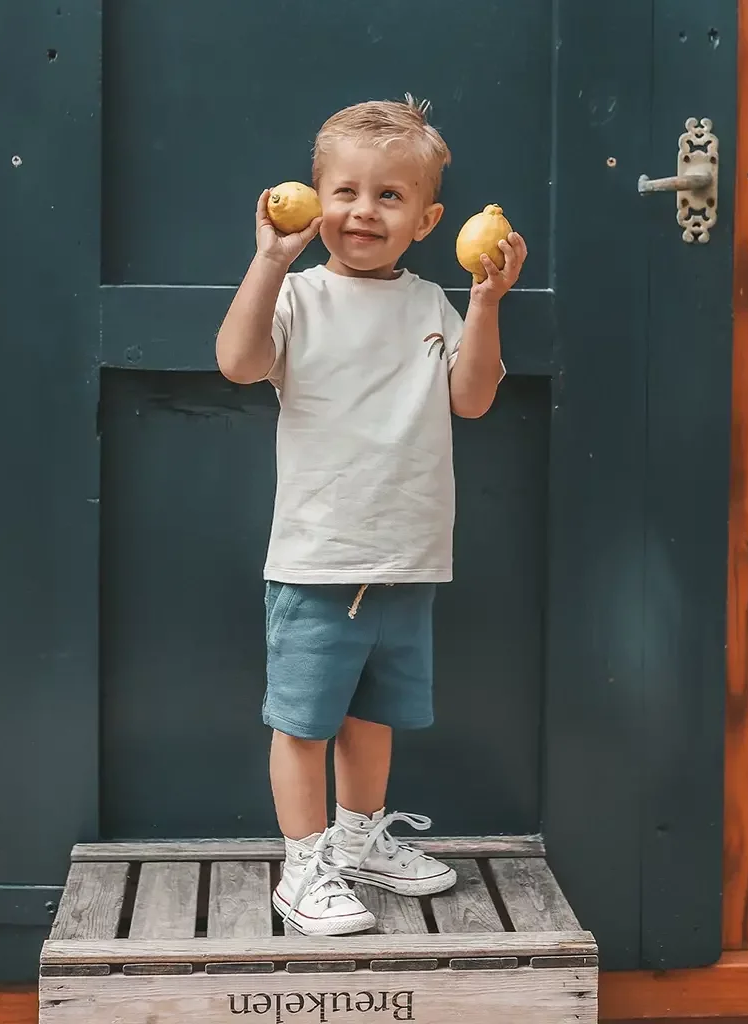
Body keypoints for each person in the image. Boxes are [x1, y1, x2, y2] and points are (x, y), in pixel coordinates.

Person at [215, 95, 527, 935]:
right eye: (346, 192)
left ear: (426, 219)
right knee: (304, 721)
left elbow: (471, 398)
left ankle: (357, 840)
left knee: (374, 713)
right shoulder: (301, 296)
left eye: (390, 197)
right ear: (316, 201)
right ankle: (302, 864)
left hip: (407, 554)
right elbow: (240, 364)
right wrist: (268, 262)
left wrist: (487, 300)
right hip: (318, 557)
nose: (364, 211)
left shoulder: (432, 304)